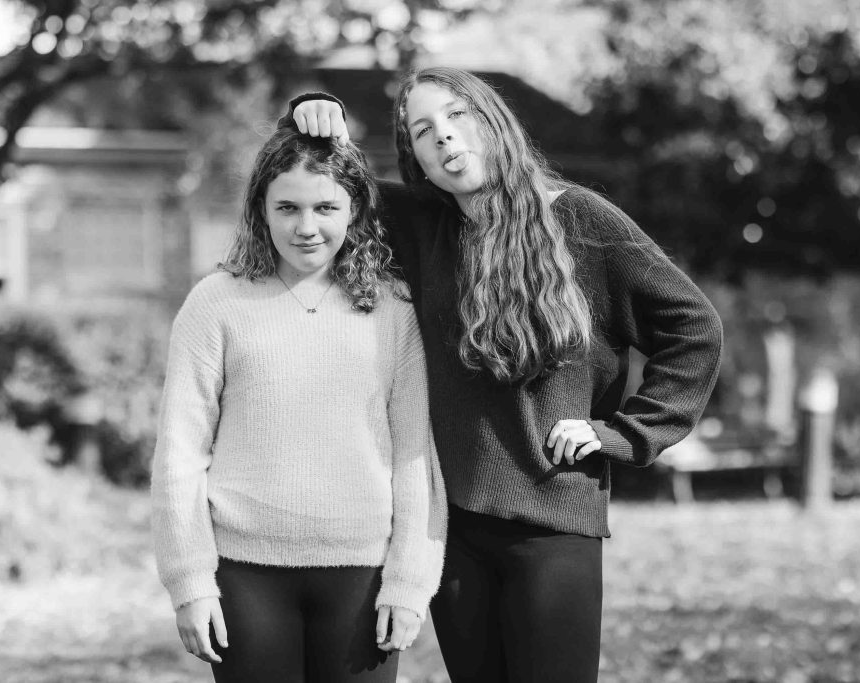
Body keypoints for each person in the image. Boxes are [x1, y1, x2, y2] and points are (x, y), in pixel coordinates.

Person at [286, 66, 724, 683]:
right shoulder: (422, 225)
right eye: (422, 131)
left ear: (494, 121)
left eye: (457, 117)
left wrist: (626, 430)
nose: (443, 137)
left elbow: (693, 327)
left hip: (553, 519)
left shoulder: (583, 222)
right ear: (415, 157)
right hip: (455, 529)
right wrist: (313, 109)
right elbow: (318, 188)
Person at [150, 126, 447, 683]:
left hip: (364, 573)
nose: (305, 227)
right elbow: (181, 452)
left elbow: (415, 455)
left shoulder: (393, 309)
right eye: (286, 206)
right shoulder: (215, 303)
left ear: (354, 211)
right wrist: (188, 580)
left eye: (325, 207)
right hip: (245, 575)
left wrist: (410, 579)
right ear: (260, 209)